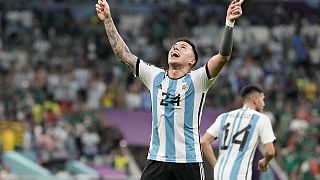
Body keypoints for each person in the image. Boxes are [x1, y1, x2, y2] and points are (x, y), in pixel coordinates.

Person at [96, 0, 243, 179]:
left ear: (192, 61)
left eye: (183, 47)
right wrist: (108, 20)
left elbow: (223, 56)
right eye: (174, 46)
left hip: (188, 161)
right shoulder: (154, 76)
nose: (175, 47)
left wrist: (229, 23)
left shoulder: (198, 79)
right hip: (157, 159)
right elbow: (123, 55)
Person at [201, 85, 276, 180]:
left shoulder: (224, 116)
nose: (263, 104)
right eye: (262, 99)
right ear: (255, 100)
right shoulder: (261, 119)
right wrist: (265, 161)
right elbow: (270, 152)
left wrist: (215, 165)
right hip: (239, 175)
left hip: (219, 174)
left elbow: (204, 141)